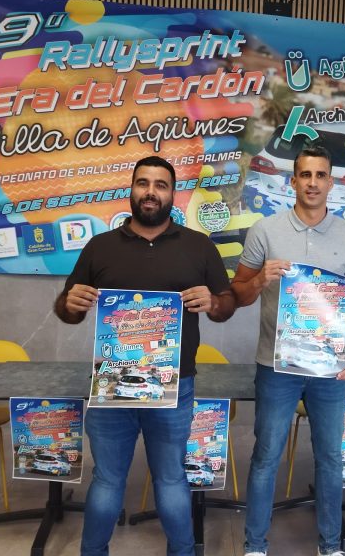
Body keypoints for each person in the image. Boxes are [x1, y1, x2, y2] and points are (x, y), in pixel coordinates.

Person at [54, 155, 235, 556]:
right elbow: (68, 311)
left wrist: (214, 301)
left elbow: (226, 305)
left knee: (171, 480)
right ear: (132, 189)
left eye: (160, 185)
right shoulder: (100, 247)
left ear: (173, 194)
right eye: (143, 183)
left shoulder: (198, 246)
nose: (151, 192)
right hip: (112, 387)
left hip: (174, 386)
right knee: (107, 481)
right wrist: (70, 302)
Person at [231, 145, 345, 556]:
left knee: (330, 457)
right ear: (292, 181)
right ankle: (255, 546)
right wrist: (260, 279)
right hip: (276, 366)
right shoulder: (265, 231)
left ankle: (330, 546)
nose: (312, 182)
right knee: (266, 455)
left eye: (320, 175)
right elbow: (237, 293)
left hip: (331, 369)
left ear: (331, 181)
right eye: (304, 175)